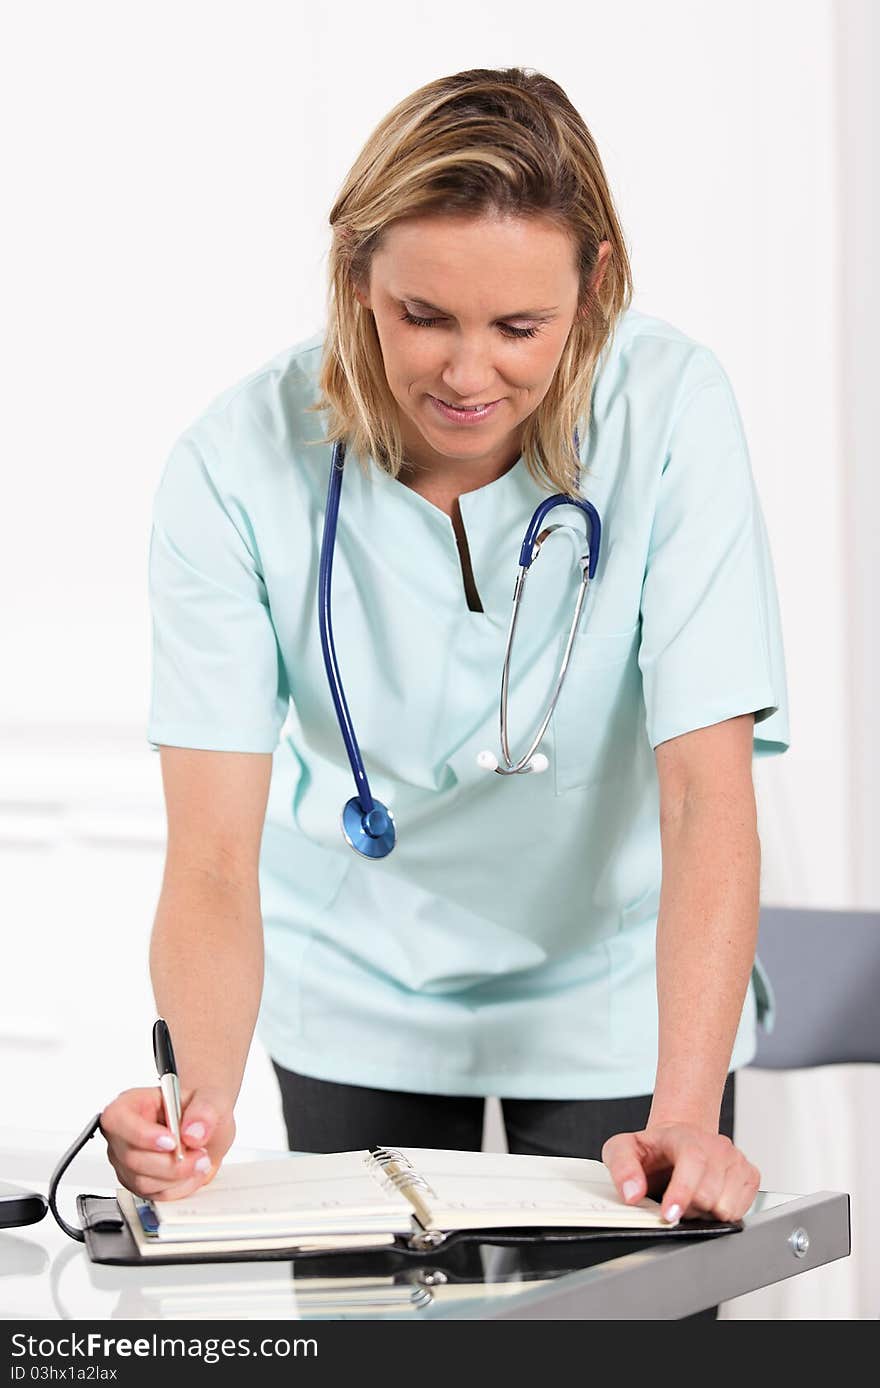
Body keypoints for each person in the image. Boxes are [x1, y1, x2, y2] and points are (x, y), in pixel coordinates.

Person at [99, 66, 789, 1317]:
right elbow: (210, 853)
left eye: (521, 328)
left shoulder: (672, 413)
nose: (469, 374)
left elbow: (702, 793)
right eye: (423, 315)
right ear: (355, 275)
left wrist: (683, 1111)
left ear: (594, 290)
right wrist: (193, 1106)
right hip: (356, 982)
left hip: (614, 986)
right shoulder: (235, 464)